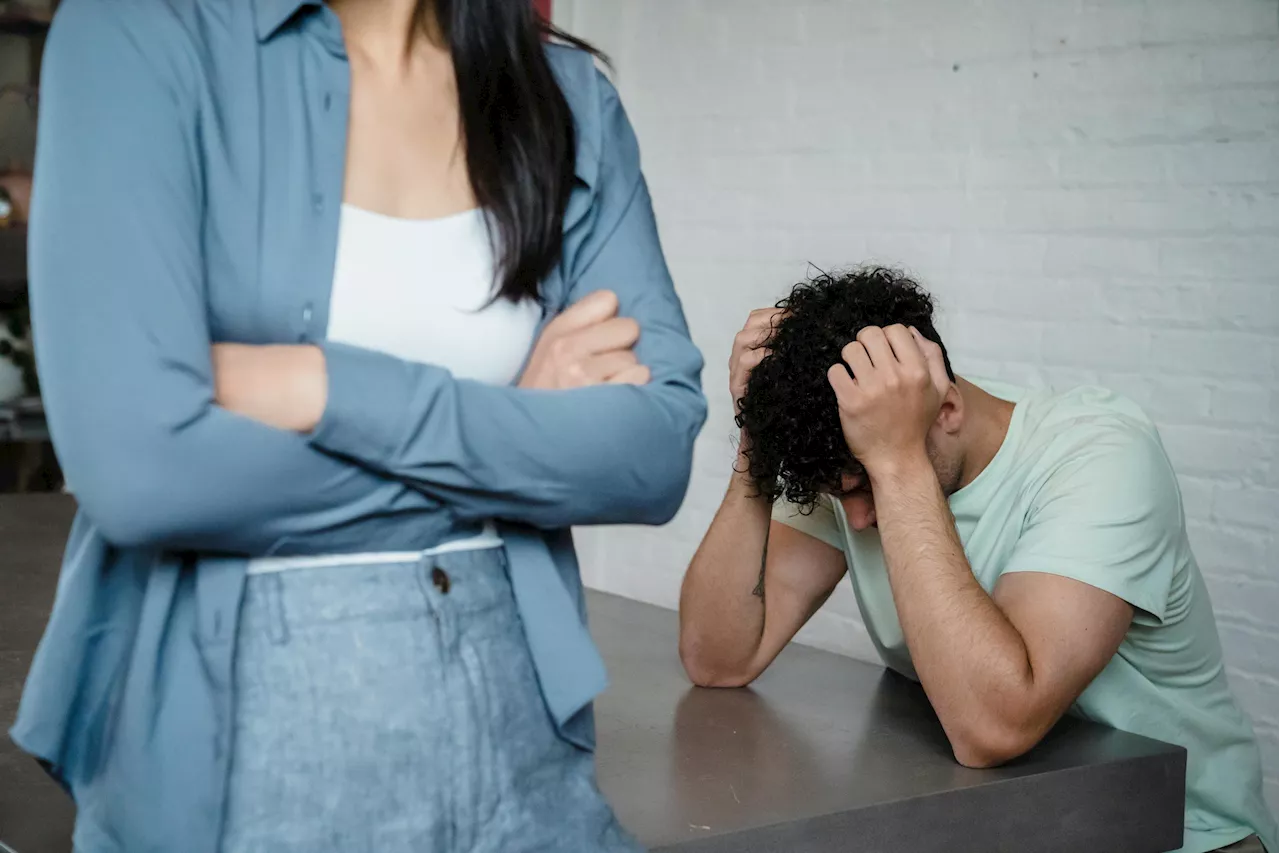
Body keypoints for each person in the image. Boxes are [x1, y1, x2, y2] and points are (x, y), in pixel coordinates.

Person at [12, 0, 706, 850]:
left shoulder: (564, 94)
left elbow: (654, 452)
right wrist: (515, 428)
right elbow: (140, 472)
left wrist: (324, 385)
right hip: (236, 768)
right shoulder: (139, 34)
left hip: (528, 761)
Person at [679, 267, 1277, 853]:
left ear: (948, 411)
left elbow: (994, 727)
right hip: (1012, 822)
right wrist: (756, 438)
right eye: (842, 495)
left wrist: (895, 464)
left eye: (864, 489)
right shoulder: (856, 451)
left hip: (1179, 832)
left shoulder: (1099, 454)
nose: (858, 520)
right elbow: (720, 658)